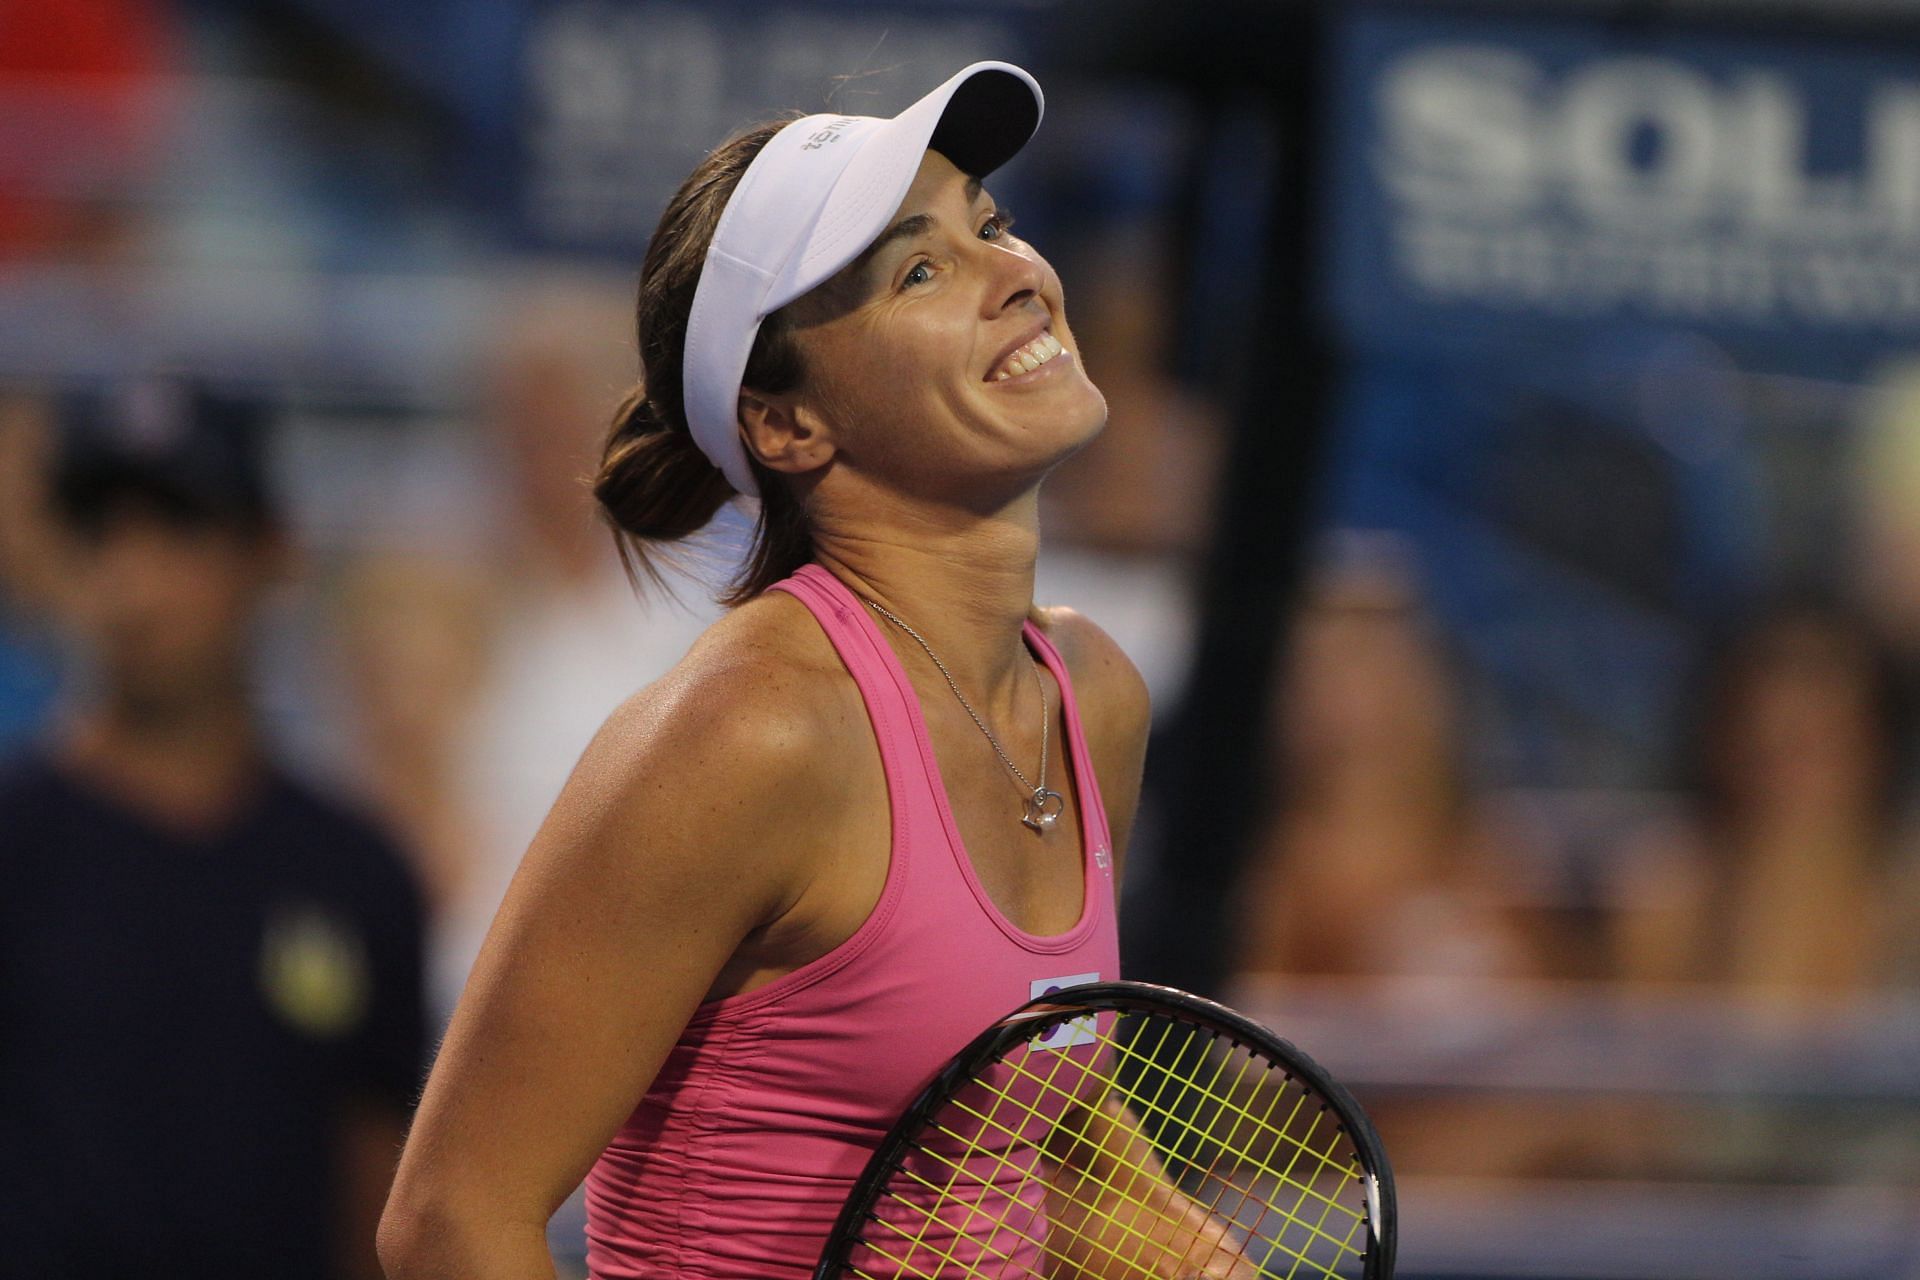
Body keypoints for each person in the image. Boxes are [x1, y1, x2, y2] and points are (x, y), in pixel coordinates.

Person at [379, 61, 1249, 1280]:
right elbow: (449, 1217)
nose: (1016, 274)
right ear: (788, 425)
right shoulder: (751, 733)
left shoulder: (1092, 696)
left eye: (989, 224)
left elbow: (1054, 1152)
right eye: (922, 270)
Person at [0, 375, 427, 1280]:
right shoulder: (17, 847)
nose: (133, 584)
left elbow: (379, 1182)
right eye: (99, 535)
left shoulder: (356, 872)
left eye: (179, 530)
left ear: (272, 554)